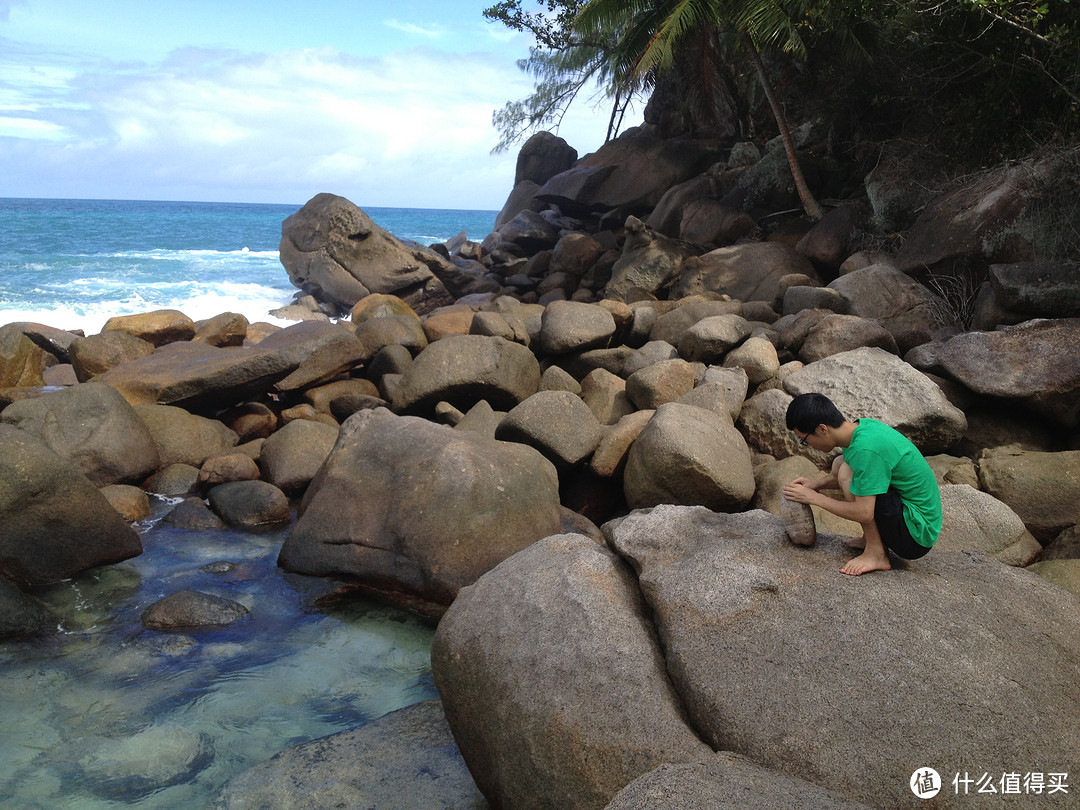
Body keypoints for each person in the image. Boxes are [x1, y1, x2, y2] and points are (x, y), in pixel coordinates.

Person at [781, 392, 941, 576]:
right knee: (840, 464)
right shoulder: (860, 430)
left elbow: (864, 513)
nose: (807, 444)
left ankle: (876, 553)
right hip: (912, 517)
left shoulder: (866, 449)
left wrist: (814, 498)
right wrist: (817, 484)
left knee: (846, 472)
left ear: (823, 429)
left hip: (916, 536)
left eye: (805, 440)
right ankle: (873, 539)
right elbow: (869, 477)